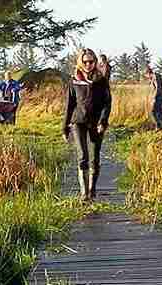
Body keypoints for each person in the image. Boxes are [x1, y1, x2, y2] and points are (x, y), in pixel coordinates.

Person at [63, 48, 112, 201]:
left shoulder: (101, 80)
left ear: (95, 62)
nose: (88, 64)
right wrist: (64, 127)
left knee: (94, 158)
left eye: (91, 62)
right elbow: (69, 105)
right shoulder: (74, 81)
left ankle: (92, 190)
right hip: (78, 121)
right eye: (85, 62)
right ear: (80, 62)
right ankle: (84, 193)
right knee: (82, 156)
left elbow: (107, 103)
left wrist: (103, 121)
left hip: (96, 123)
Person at [144, 66, 162, 130]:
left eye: (146, 76)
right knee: (160, 112)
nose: (147, 77)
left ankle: (158, 126)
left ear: (148, 73)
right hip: (161, 97)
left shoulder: (155, 77)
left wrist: (154, 98)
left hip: (159, 98)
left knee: (154, 112)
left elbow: (158, 88)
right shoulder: (154, 77)